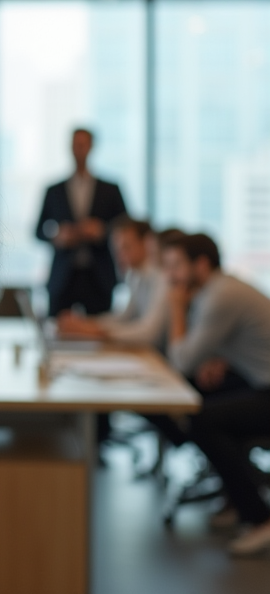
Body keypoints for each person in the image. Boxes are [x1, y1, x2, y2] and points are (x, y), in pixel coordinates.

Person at [161, 233, 270, 556]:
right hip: (257, 382)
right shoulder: (221, 289)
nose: (171, 277)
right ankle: (235, 499)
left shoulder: (219, 295)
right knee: (209, 400)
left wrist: (176, 308)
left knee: (203, 420)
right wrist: (221, 359)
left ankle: (260, 518)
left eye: (177, 266)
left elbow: (181, 360)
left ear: (202, 264)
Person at [35, 128, 127, 316]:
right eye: (76, 145)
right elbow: (38, 230)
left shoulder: (110, 189)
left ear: (91, 147)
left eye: (83, 145)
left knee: (101, 330)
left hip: (99, 275)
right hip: (63, 276)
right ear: (70, 147)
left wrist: (103, 231)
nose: (79, 149)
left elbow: (126, 226)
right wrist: (58, 235)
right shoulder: (54, 190)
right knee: (57, 330)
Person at [57, 217, 168, 346]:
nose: (120, 255)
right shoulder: (134, 274)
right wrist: (84, 323)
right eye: (117, 250)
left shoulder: (162, 276)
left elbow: (149, 333)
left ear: (147, 243)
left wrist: (96, 332)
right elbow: (124, 317)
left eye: (126, 247)